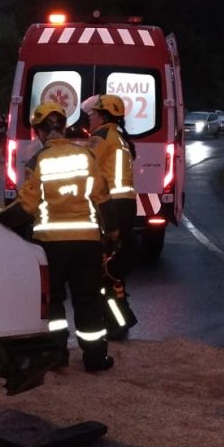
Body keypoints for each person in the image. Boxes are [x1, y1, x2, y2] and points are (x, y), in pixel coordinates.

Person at [7, 101, 113, 372]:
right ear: (64, 128)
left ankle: (57, 356)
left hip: (51, 245)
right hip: (87, 244)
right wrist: (112, 234)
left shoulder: (39, 161)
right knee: (88, 300)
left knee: (53, 302)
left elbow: (28, 206)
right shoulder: (85, 156)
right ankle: (95, 359)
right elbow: (101, 197)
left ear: (40, 133)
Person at [81, 93, 138, 339]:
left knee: (103, 267)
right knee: (113, 266)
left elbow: (86, 166)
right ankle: (119, 319)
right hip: (126, 205)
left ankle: (117, 322)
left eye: (92, 114)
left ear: (103, 115)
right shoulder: (122, 138)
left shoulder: (101, 136)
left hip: (110, 206)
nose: (90, 119)